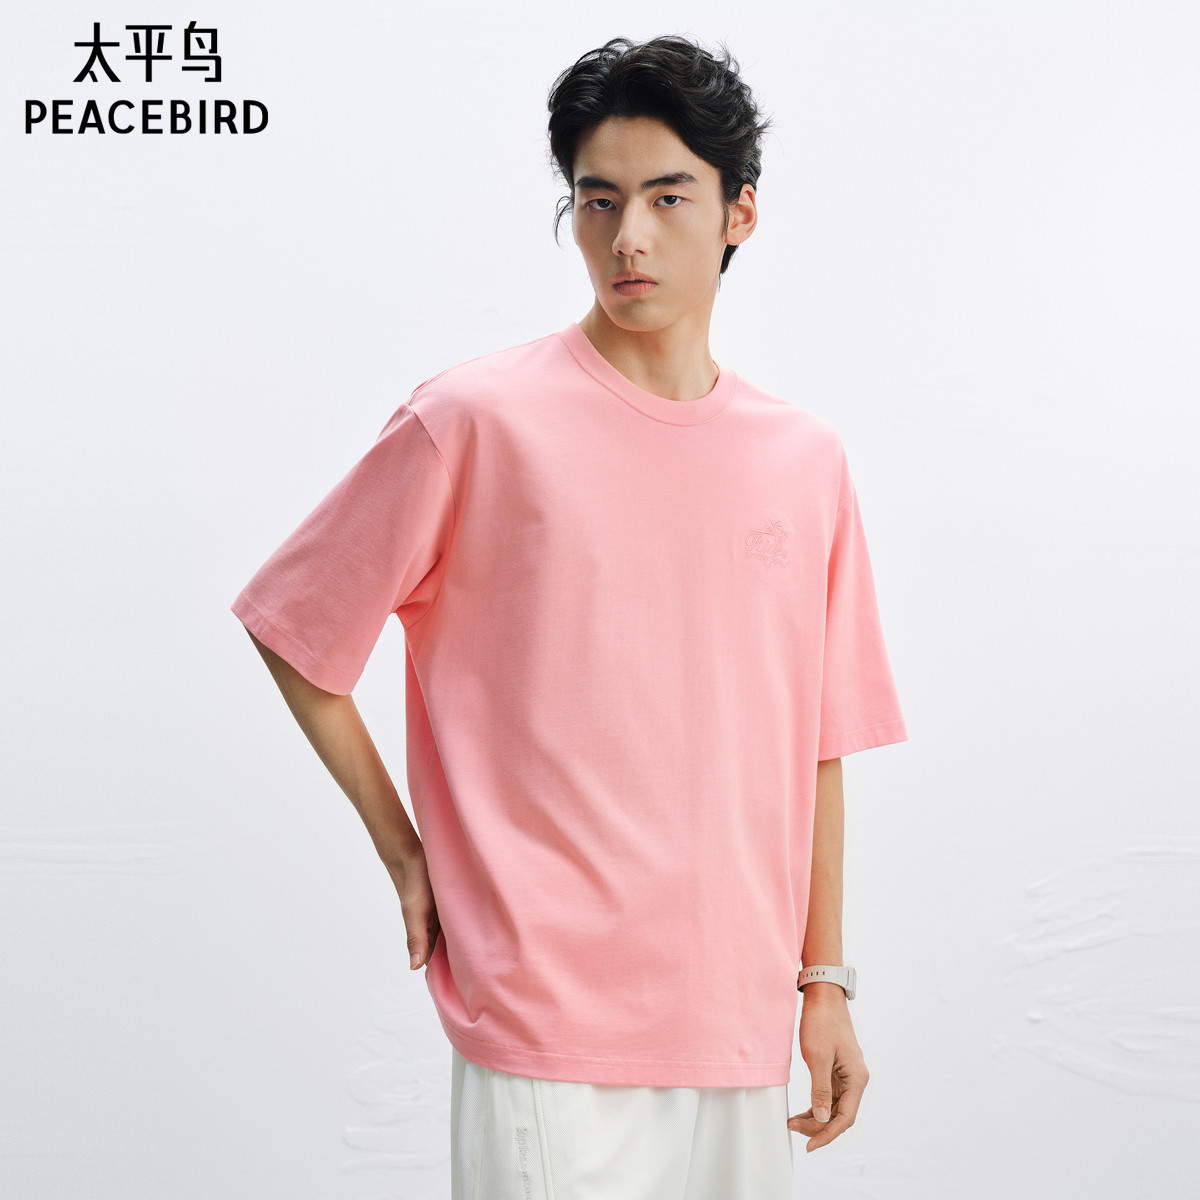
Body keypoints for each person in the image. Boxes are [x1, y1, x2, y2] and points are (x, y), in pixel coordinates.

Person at [230, 33, 908, 1200]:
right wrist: (405, 852)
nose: (627, 236)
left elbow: (816, 745)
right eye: (598, 201)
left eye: (667, 197)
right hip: (544, 1016)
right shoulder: (476, 420)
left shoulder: (804, 460)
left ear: (740, 213)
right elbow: (296, 625)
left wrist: (825, 982)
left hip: (736, 1018)